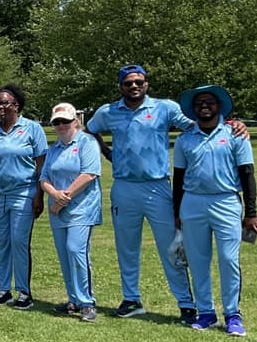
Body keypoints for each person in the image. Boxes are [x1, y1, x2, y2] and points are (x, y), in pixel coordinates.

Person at [85, 64, 198, 322]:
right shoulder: (109, 111)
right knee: (127, 247)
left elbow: (193, 126)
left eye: (139, 82)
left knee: (171, 247)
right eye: (128, 83)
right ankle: (131, 299)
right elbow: (90, 130)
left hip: (157, 187)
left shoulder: (164, 108)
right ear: (121, 86)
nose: (134, 86)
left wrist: (231, 124)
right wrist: (106, 151)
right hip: (124, 187)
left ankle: (186, 303)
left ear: (146, 83)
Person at [173, 85, 257, 337]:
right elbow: (178, 178)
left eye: (209, 101)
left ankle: (233, 314)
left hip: (226, 202)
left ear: (218, 106)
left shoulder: (235, 134)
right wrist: (176, 211)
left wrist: (251, 213)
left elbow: (247, 175)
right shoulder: (185, 138)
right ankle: (206, 313)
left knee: (229, 259)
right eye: (199, 103)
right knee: (198, 261)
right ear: (194, 109)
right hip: (192, 202)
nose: (204, 106)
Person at [0, 83, 47, 310]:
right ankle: (3, 290)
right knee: (1, 243)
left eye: (5, 103)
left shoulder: (32, 129)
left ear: (16, 105)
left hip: (24, 193)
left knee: (19, 241)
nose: (0, 107)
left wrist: (39, 196)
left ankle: (24, 292)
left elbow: (41, 164)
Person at [39, 103, 102, 323]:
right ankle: (73, 299)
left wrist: (63, 198)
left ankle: (87, 302)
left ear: (75, 121)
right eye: (57, 122)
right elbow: (43, 177)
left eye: (65, 121)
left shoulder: (87, 143)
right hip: (58, 211)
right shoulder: (54, 148)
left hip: (82, 209)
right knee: (64, 255)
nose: (61, 125)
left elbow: (89, 174)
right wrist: (54, 195)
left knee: (76, 251)